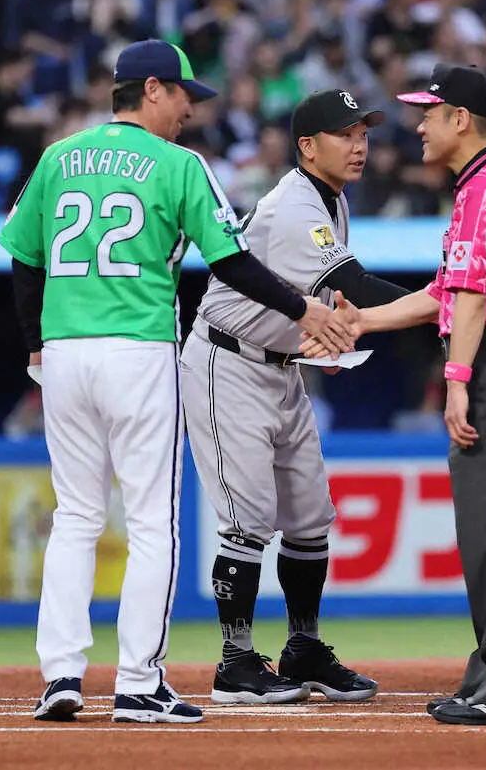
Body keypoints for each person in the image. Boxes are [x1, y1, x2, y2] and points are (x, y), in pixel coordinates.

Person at [0, 39, 354, 725]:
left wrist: (35, 346)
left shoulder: (58, 156)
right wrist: (304, 305)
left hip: (66, 352)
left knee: (74, 516)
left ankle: (62, 675)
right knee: (151, 520)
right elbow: (234, 263)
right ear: (152, 89)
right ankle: (138, 681)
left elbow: (22, 257)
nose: (191, 108)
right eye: (185, 94)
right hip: (137, 347)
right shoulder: (178, 163)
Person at [306, 64, 486, 726]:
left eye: (430, 112)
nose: (419, 124)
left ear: (460, 120)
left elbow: (470, 299)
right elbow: (444, 294)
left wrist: (456, 379)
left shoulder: (483, 189)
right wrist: (362, 319)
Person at [181, 89, 407, 706]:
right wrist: (450, 299)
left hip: (283, 369)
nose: (360, 144)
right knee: (248, 522)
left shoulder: (332, 201)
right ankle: (235, 663)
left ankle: (303, 647)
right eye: (345, 134)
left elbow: (337, 300)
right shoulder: (293, 205)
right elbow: (356, 285)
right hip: (227, 364)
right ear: (307, 147)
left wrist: (327, 335)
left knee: (309, 520)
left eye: (364, 132)